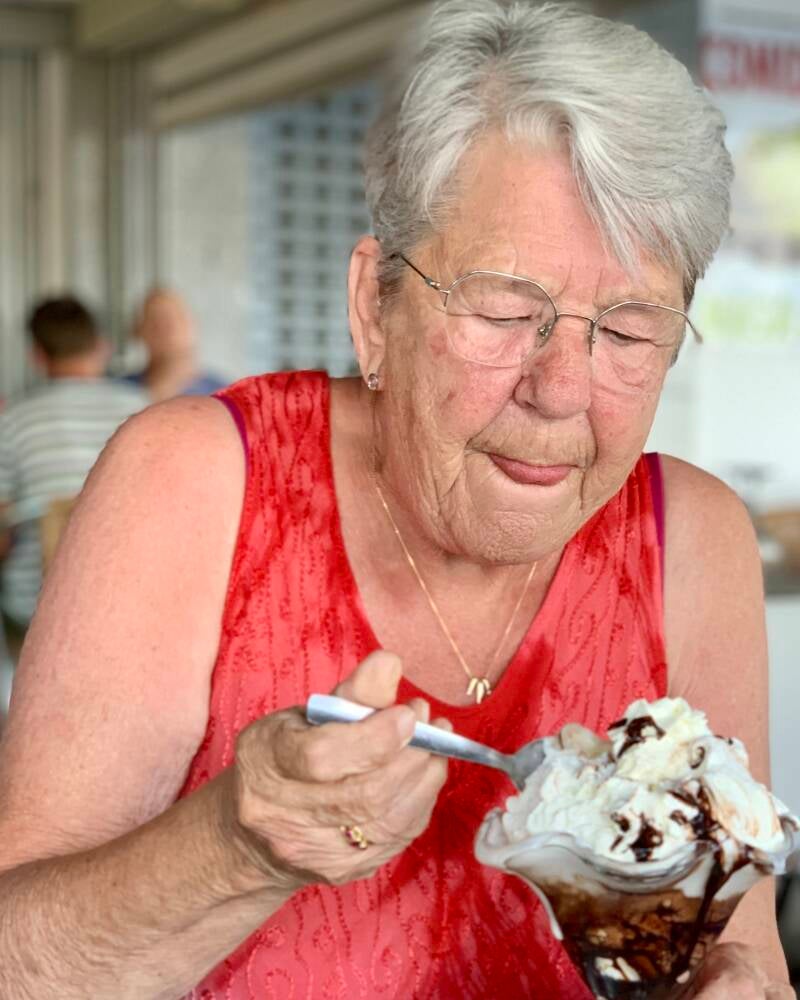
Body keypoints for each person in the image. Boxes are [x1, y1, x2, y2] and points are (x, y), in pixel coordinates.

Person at [0, 3, 792, 998]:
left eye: (630, 332)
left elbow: (739, 949)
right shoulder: (194, 479)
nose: (560, 389)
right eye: (504, 310)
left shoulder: (693, 542)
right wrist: (235, 849)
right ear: (374, 306)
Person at [0, 296, 147, 629]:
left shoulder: (13, 419)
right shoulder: (142, 407)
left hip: (35, 610)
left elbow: (3, 533)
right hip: (126, 599)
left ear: (37, 356)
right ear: (101, 346)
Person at [124, 286, 226, 402]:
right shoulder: (119, 389)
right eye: (156, 322)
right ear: (137, 331)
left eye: (177, 318)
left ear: (193, 325)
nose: (169, 329)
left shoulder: (224, 395)